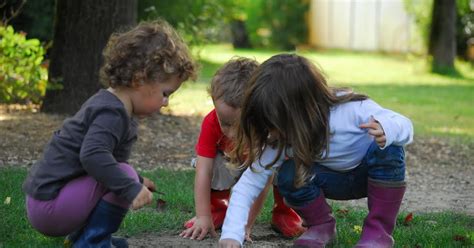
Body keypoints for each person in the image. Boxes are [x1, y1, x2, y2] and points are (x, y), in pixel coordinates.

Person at [22, 20, 196, 248]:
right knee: (123, 174)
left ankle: (85, 238)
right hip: (49, 206)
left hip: (47, 201)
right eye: (165, 93)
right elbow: (93, 157)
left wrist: (138, 180)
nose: (165, 103)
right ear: (139, 80)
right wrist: (131, 186)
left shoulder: (114, 107)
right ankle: (92, 242)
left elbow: (102, 162)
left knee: (124, 174)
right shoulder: (111, 113)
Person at [218, 54, 413, 248]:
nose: (270, 131)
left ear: (298, 111)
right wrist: (232, 235)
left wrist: (387, 129)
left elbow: (404, 124)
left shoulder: (352, 109)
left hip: (371, 176)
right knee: (288, 173)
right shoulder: (281, 137)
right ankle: (321, 226)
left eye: (273, 122)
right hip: (329, 181)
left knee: (391, 149)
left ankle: (377, 233)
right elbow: (249, 184)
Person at [179, 57, 305, 241]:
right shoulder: (211, 123)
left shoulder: (268, 131)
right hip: (233, 163)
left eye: (238, 125)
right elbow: (203, 172)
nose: (230, 133)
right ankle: (218, 209)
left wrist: (245, 225)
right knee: (212, 163)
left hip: (262, 168)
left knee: (287, 167)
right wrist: (203, 216)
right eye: (225, 123)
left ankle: (284, 212)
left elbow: (262, 181)